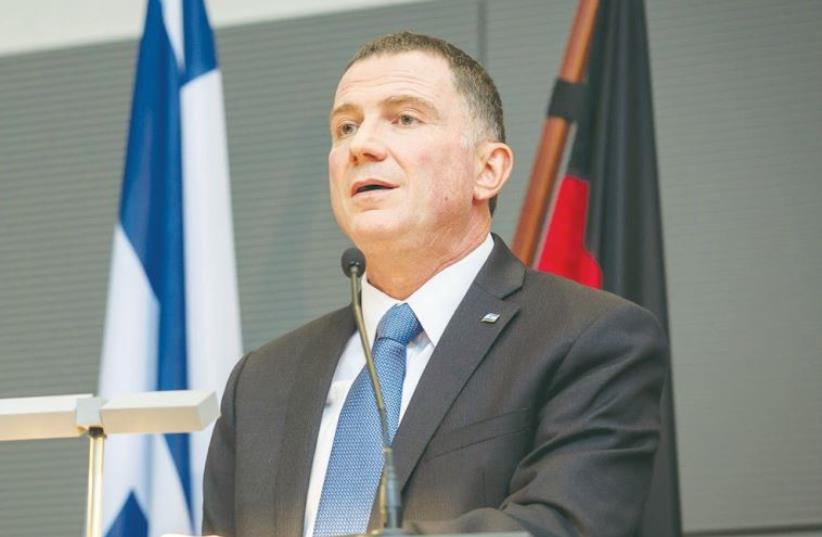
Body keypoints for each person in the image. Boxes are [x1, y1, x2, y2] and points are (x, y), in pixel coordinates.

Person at [203, 32, 666, 537]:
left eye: (405, 118)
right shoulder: (262, 381)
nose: (362, 145)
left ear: (487, 170)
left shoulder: (591, 338)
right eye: (345, 127)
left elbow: (561, 527)